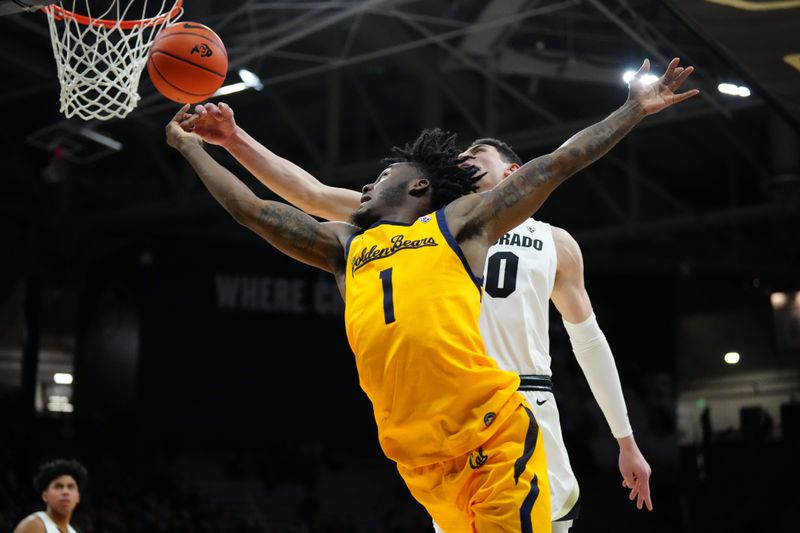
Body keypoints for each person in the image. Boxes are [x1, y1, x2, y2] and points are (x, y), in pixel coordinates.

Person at [167, 58, 697, 532]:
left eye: (477, 154)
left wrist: (625, 438)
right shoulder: (401, 226)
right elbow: (300, 198)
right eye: (459, 156)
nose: (465, 157)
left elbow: (559, 168)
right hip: (428, 437)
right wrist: (230, 141)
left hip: (515, 406)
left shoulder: (527, 234)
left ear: (509, 173)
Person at [13, 458, 87, 533]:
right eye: (58, 486)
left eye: (70, 487)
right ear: (45, 496)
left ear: (78, 497)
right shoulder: (33, 525)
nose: (65, 492)